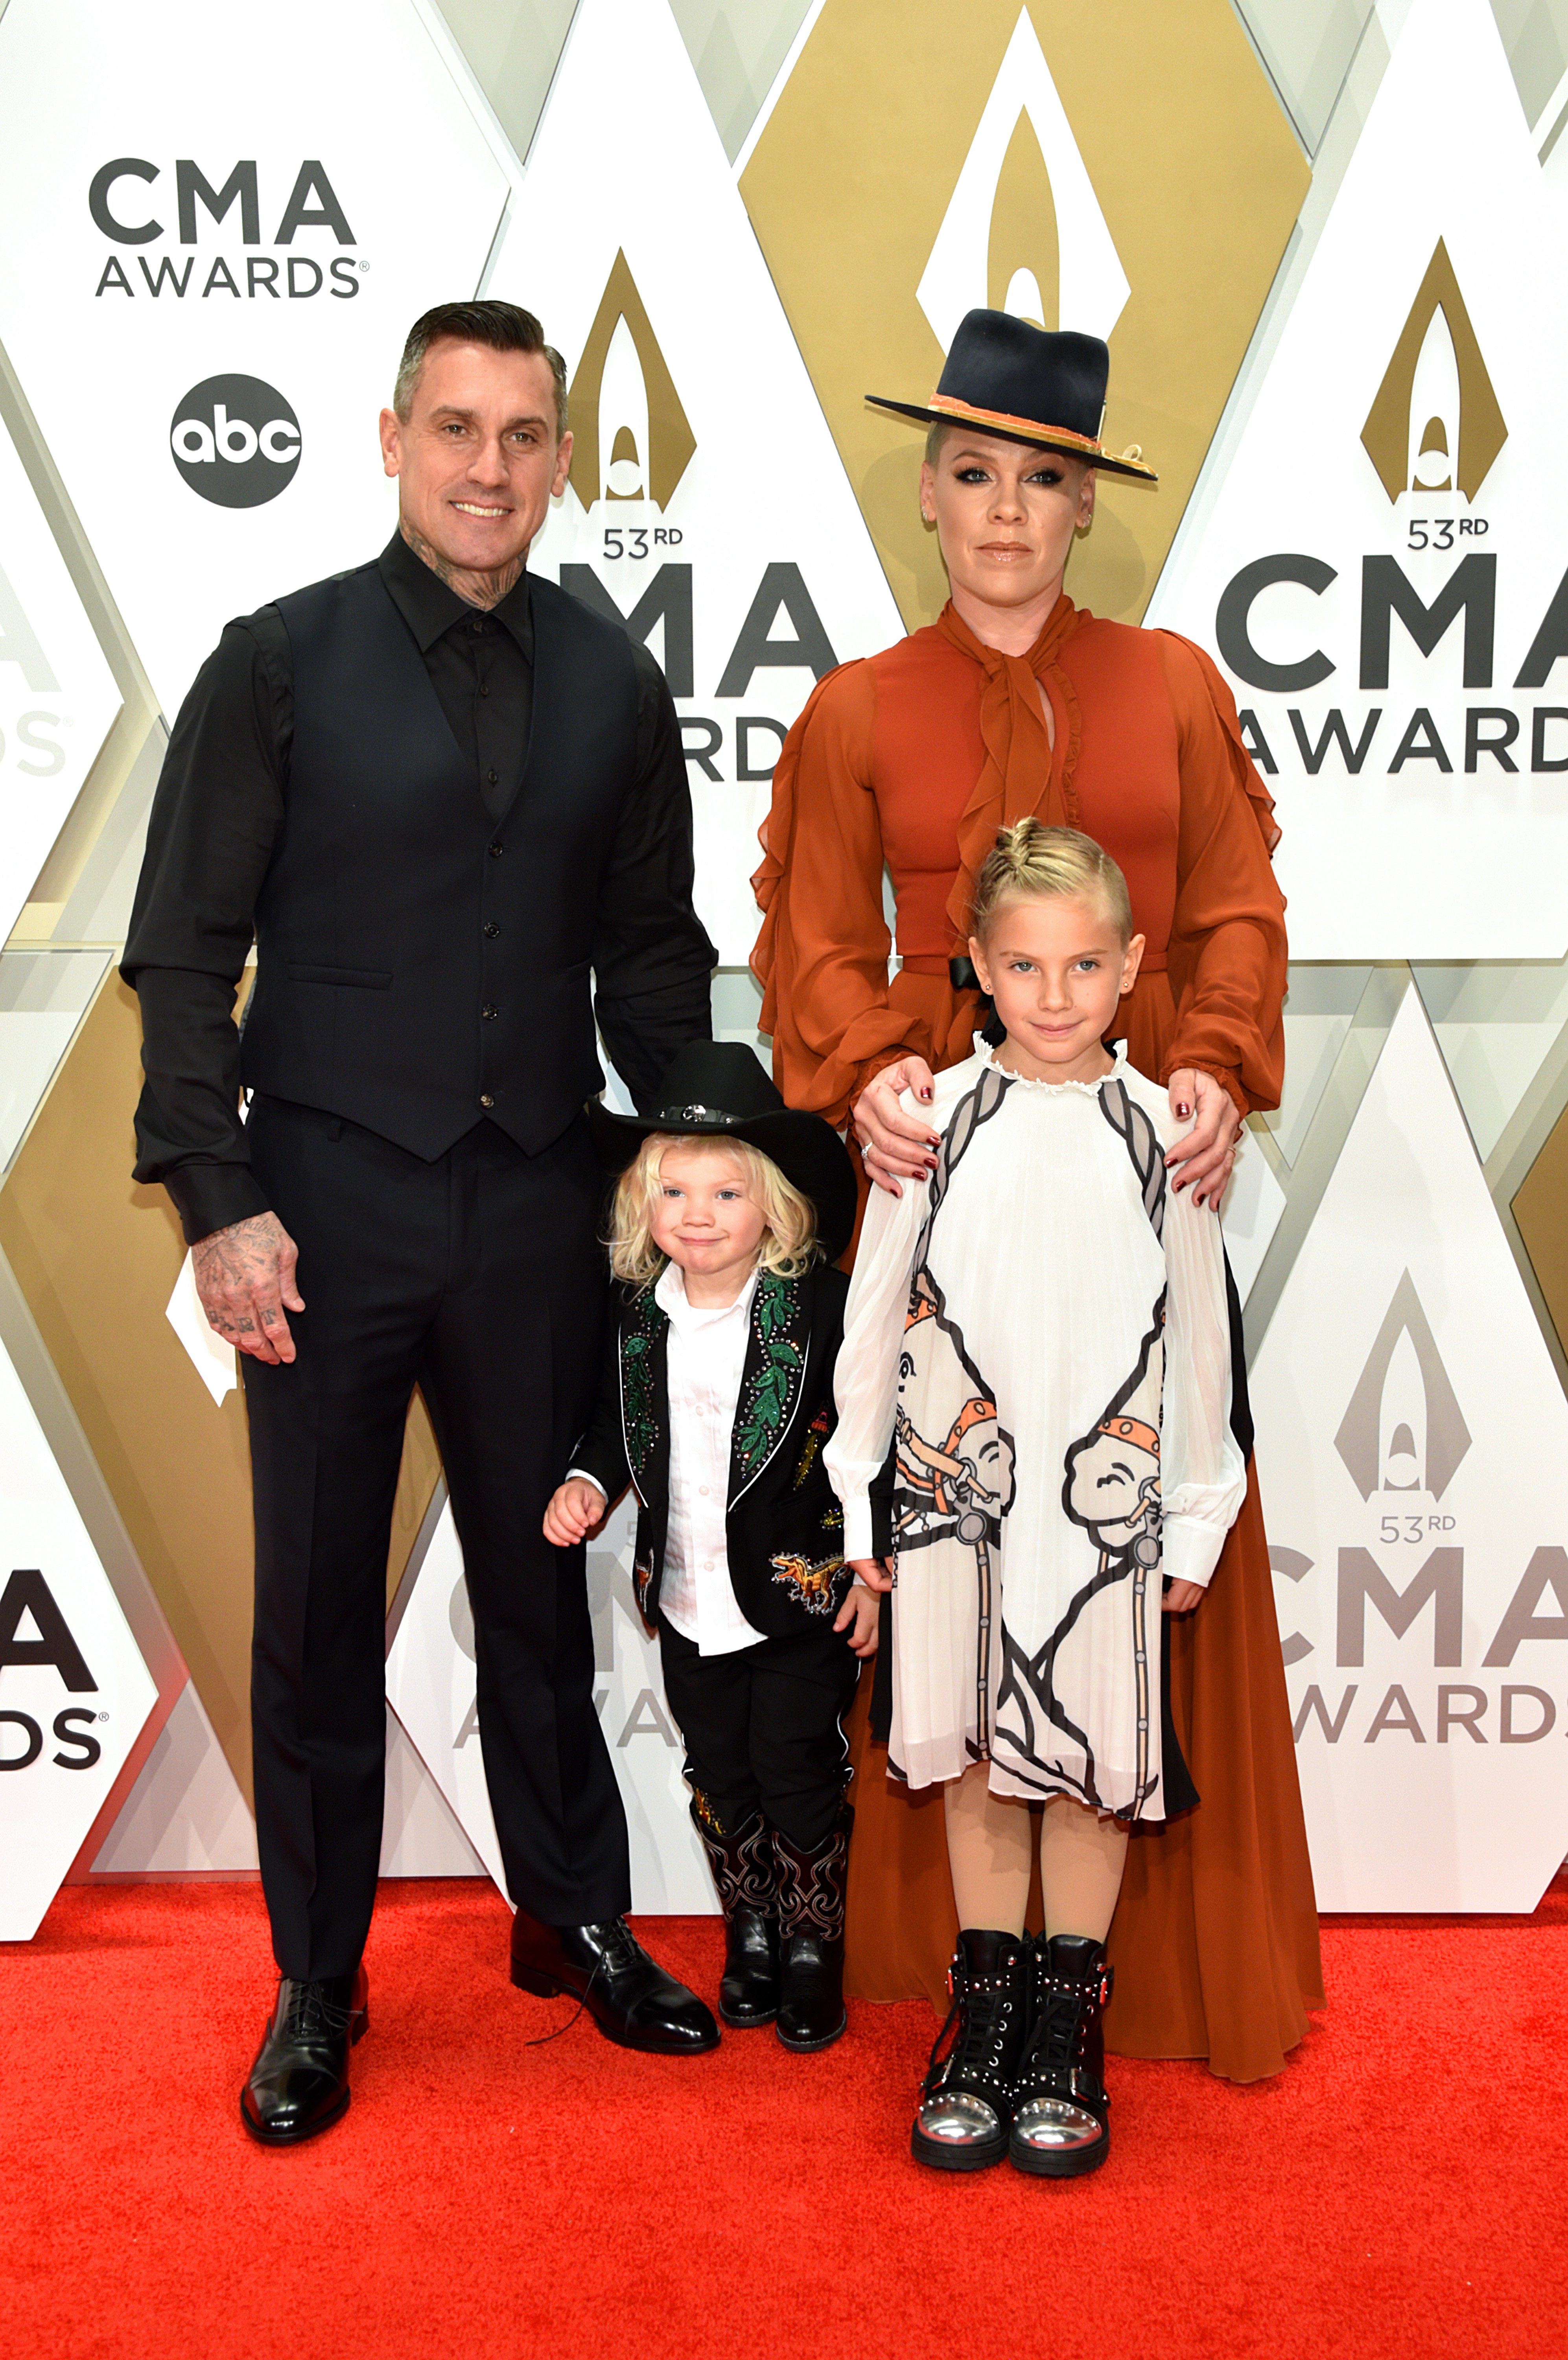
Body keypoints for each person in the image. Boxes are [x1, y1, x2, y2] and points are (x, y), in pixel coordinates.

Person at [122, 300, 722, 2145]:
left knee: (542, 1586)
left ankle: (573, 1916)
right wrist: (217, 1200)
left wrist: (712, 1154)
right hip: (320, 1210)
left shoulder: (614, 682)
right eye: (455, 428)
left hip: (538, 1200)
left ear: (561, 460)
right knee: (314, 1603)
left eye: (522, 435)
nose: (488, 466)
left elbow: (649, 958)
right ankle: (318, 1976)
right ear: (392, 441)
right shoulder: (276, 662)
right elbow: (182, 955)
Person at [751, 309, 1322, 2083]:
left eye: (1042, 479)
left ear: (1085, 505)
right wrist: (871, 1076)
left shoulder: (1172, 684)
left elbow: (1235, 907)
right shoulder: (854, 707)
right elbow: (811, 941)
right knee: (959, 1574)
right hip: (948, 1189)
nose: (1006, 509)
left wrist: (1211, 1064)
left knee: (1138, 1546)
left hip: (1142, 1190)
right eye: (975, 472)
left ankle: (1110, 1992)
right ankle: (980, 1982)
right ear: (928, 495)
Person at [828, 820, 1245, 2174]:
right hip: (954, 1502)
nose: (1053, 996)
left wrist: (1194, 1514)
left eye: (1081, 966)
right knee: (969, 1756)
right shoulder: (927, 1121)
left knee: (1086, 1763)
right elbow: (874, 1320)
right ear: (976, 964)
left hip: (1104, 1513)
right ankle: (985, 2016)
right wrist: (858, 1504)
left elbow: (1198, 1336)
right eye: (1022, 965)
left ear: (1130, 964)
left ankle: (1064, 2025)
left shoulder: (1165, 1130)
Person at [544, 1041, 875, 2050]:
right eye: (674, 1191)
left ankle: (812, 1948)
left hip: (801, 1599)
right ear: (640, 1205)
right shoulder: (634, 1317)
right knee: (719, 1773)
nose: (698, 1214)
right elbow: (613, 1425)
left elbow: (871, 1442)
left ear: (774, 1207)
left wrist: (873, 1567)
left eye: (726, 1193)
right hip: (686, 1599)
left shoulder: (822, 1310)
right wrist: (587, 1481)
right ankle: (752, 1935)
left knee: (796, 1769)